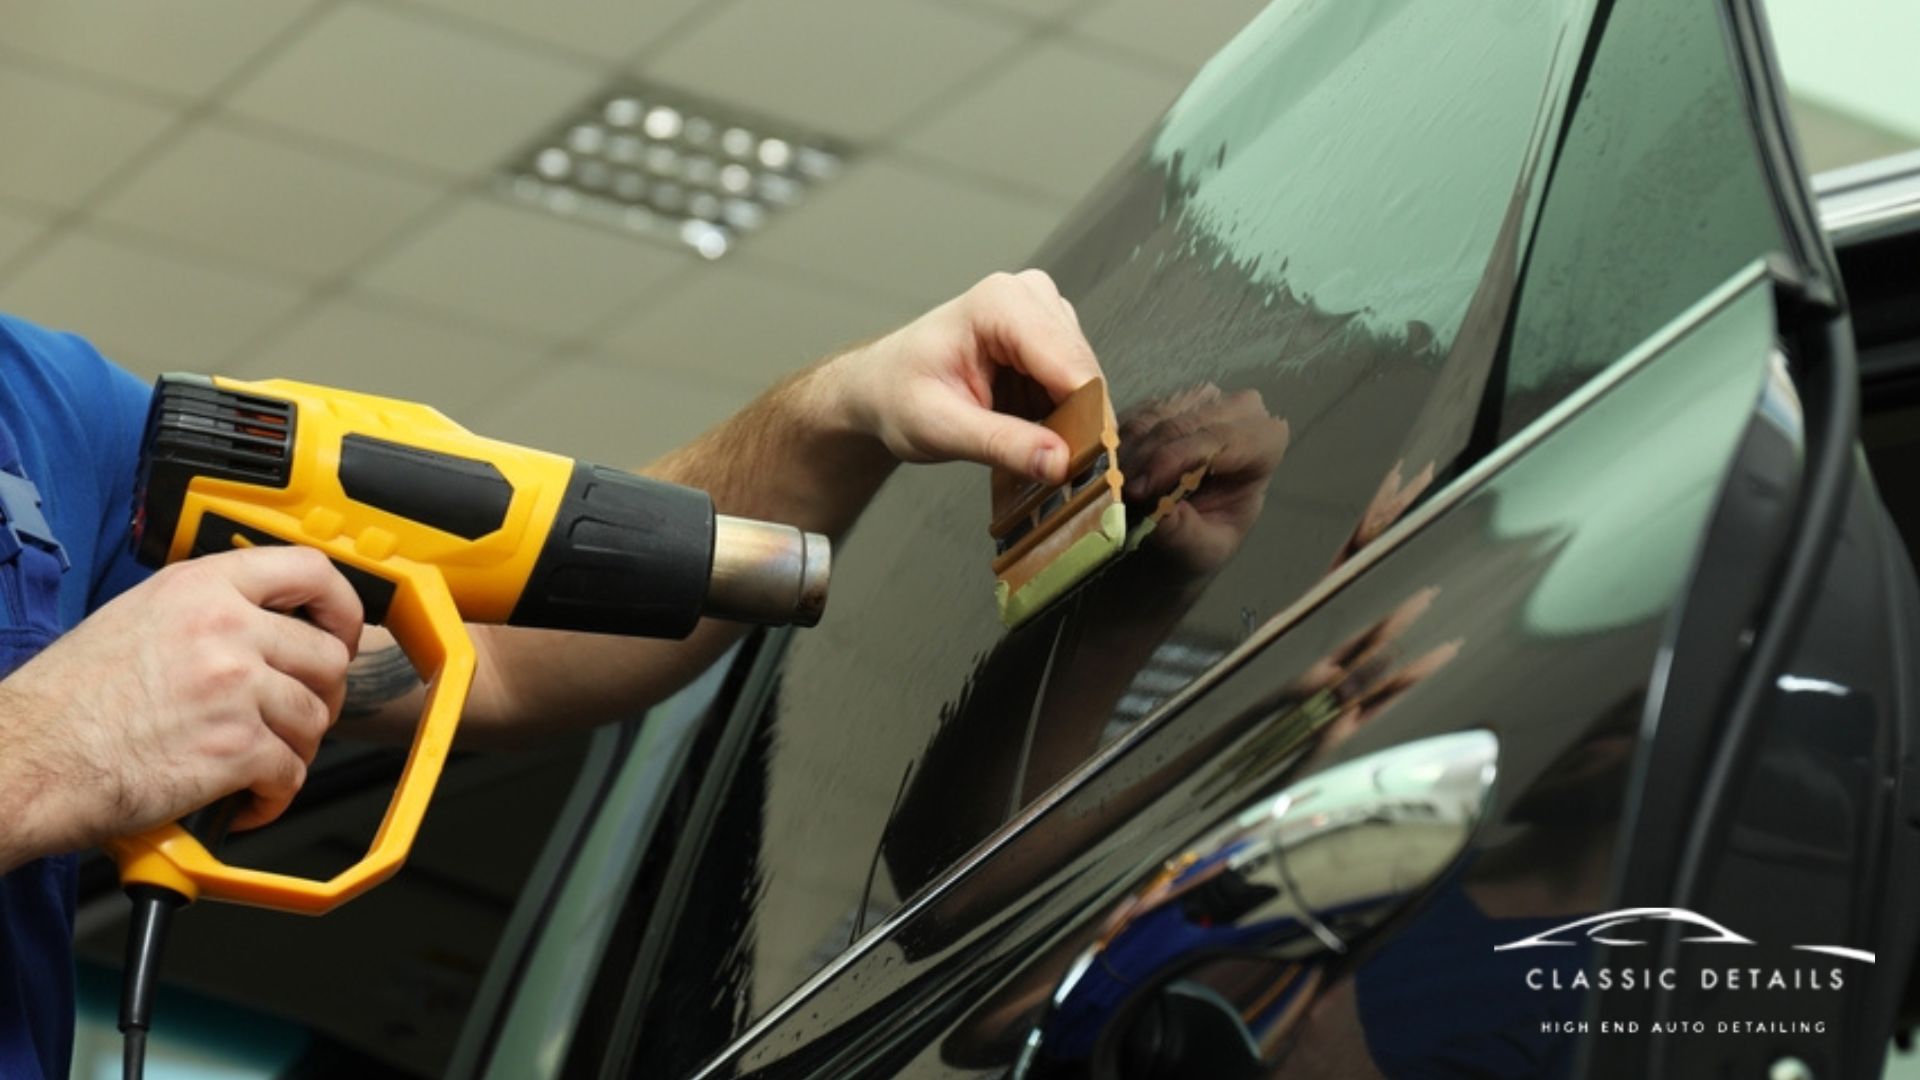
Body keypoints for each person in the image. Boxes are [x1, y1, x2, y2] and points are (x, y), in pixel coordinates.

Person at [0, 268, 1103, 1079]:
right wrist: (46, 750)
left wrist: (847, 409)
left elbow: (490, 648)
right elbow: (55, 743)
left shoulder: (40, 417)